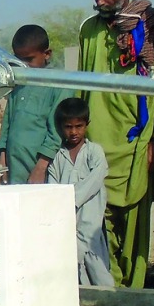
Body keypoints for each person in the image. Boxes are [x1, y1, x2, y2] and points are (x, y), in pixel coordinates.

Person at [76, 0, 154, 288]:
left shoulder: (152, 29)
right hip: (97, 143)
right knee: (96, 225)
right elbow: (82, 86)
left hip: (136, 143)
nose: (100, 2)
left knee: (133, 226)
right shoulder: (89, 30)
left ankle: (133, 293)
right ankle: (109, 291)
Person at [48, 98, 115, 287]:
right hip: (68, 223)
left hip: (90, 223)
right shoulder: (58, 156)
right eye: (68, 127)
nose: (74, 132)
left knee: (98, 271)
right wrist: (61, 205)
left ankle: (108, 303)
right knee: (71, 271)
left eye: (79, 126)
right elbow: (53, 189)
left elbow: (96, 179)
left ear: (87, 125)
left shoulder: (94, 152)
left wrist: (70, 199)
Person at [0, 24, 68, 185]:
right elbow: (7, 121)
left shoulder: (60, 84)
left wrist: (41, 167)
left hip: (40, 169)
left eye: (29, 59)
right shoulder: (18, 83)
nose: (24, 65)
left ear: (47, 54)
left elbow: (57, 132)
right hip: (13, 168)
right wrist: (2, 159)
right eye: (19, 60)